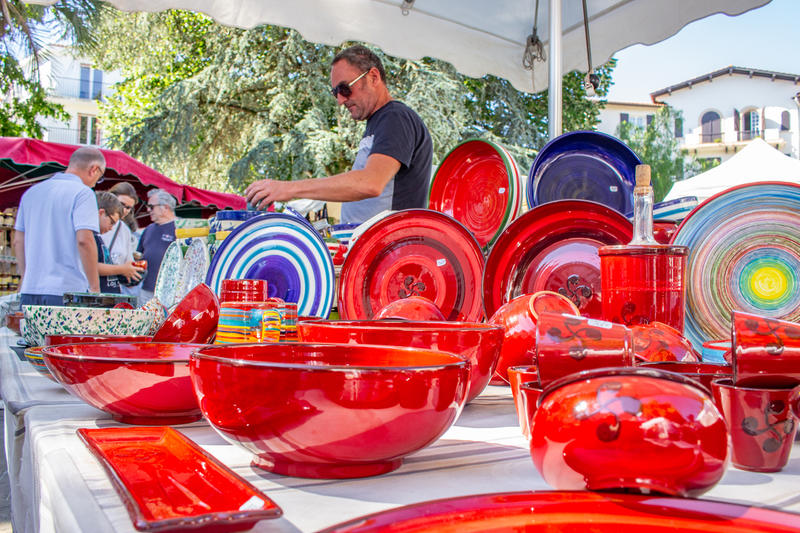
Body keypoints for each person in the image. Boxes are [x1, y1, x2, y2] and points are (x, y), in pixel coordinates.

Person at [245, 44, 433, 224]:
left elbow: (370, 183)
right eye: (335, 93)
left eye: (345, 88)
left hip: (390, 243)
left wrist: (289, 188)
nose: (340, 100)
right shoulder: (378, 122)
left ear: (373, 77)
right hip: (370, 242)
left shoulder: (395, 117)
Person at [13, 146, 105, 305]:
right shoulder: (83, 193)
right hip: (67, 289)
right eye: (100, 177)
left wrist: (26, 277)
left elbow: (18, 241)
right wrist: (95, 288)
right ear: (94, 169)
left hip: (30, 289)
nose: (96, 183)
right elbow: (84, 240)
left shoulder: (31, 192)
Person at [95, 191, 144, 293]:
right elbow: (91, 267)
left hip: (112, 291)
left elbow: (128, 260)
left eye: (129, 208)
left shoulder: (124, 230)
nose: (124, 210)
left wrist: (131, 271)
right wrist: (122, 269)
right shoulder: (89, 234)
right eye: (122, 204)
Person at [136, 188, 177, 304]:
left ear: (166, 207)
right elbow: (139, 255)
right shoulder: (148, 229)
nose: (148, 210)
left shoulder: (180, 228)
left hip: (170, 292)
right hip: (146, 290)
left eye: (151, 206)